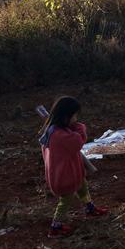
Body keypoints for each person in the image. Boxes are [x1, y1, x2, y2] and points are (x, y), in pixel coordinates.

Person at [39, 96, 108, 238]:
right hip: (64, 177)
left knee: (83, 187)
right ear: (65, 116)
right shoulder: (59, 135)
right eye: (74, 116)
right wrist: (80, 127)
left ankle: (89, 207)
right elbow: (78, 141)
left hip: (73, 172)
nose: (76, 119)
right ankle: (55, 226)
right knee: (65, 201)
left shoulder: (54, 130)